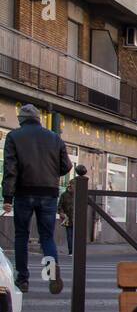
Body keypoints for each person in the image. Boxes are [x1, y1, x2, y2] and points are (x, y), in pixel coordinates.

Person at [3, 104, 73, 295]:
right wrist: (51, 173)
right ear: (38, 120)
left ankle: (23, 280)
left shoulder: (14, 136)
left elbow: (10, 169)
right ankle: (51, 273)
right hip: (49, 193)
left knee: (21, 236)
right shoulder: (54, 138)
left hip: (24, 193)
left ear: (21, 120)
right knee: (47, 237)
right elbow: (66, 166)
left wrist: (7, 197)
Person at [57, 185, 75, 256]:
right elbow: (59, 206)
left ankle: (76, 251)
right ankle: (71, 251)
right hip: (68, 218)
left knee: (77, 236)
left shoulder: (79, 194)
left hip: (78, 218)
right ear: (70, 186)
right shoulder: (64, 195)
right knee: (69, 235)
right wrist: (61, 213)